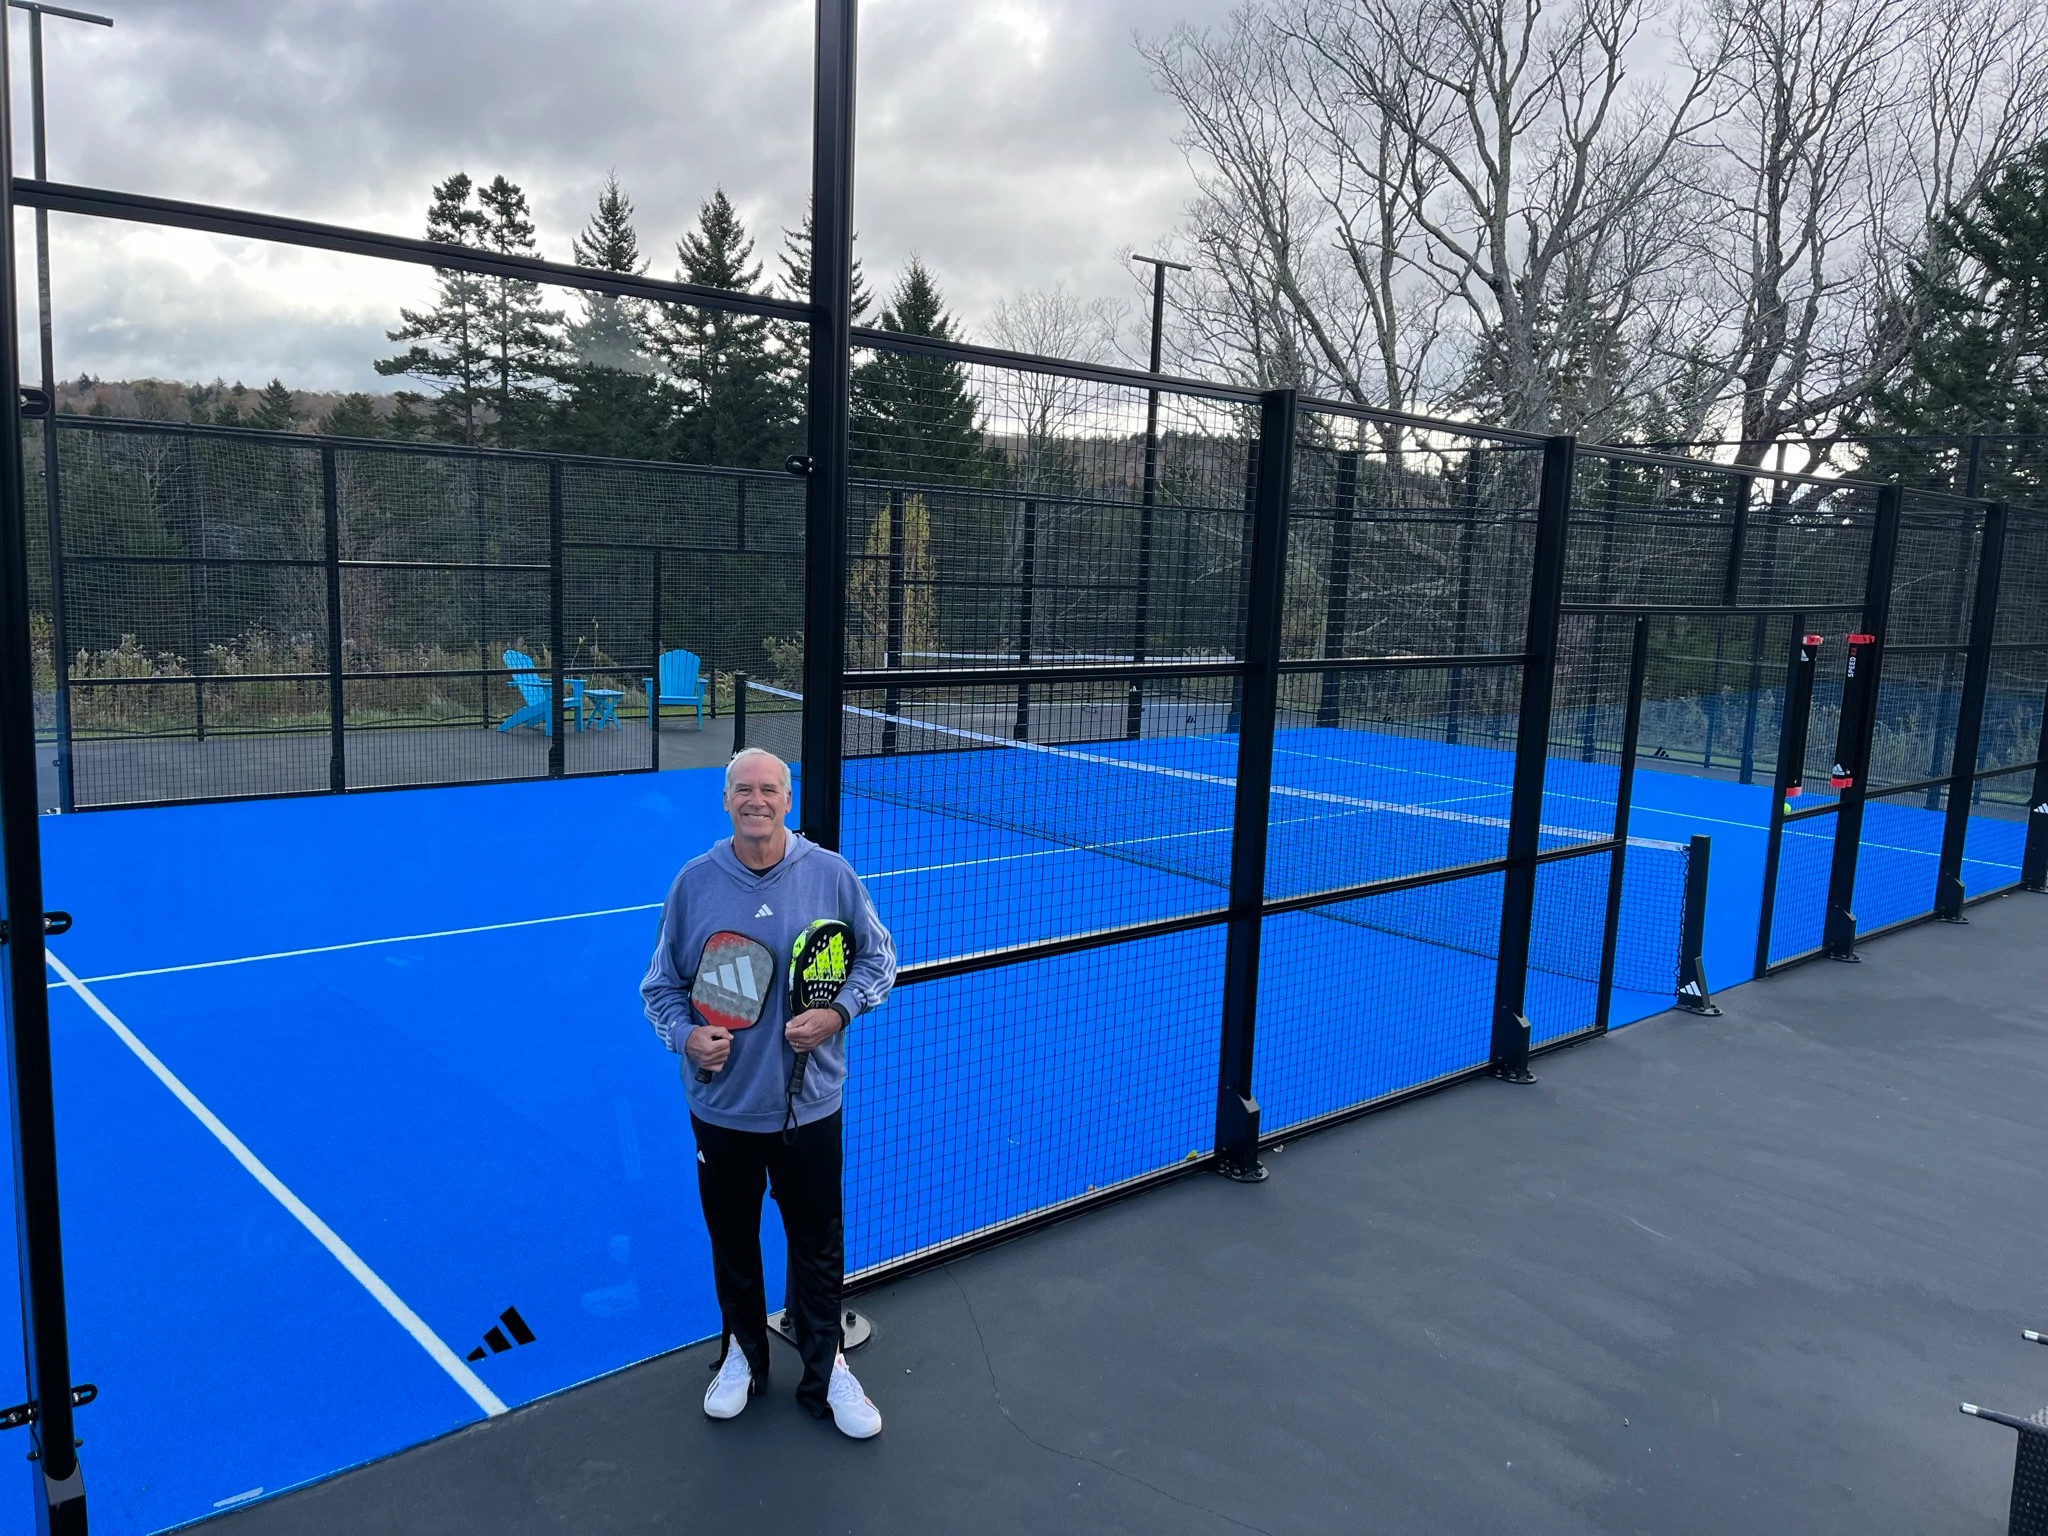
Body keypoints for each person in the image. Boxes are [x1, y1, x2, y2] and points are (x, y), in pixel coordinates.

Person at [641, 747, 897, 1436]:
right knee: (734, 1238)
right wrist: (686, 1037)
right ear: (726, 801)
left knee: (817, 1242)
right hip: (721, 1109)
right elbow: (660, 988)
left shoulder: (831, 875)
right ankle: (741, 1358)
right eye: (744, 790)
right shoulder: (694, 883)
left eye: (770, 790)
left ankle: (828, 1369)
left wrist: (838, 1012)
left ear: (788, 801)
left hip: (810, 1106)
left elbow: (879, 960)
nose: (757, 800)